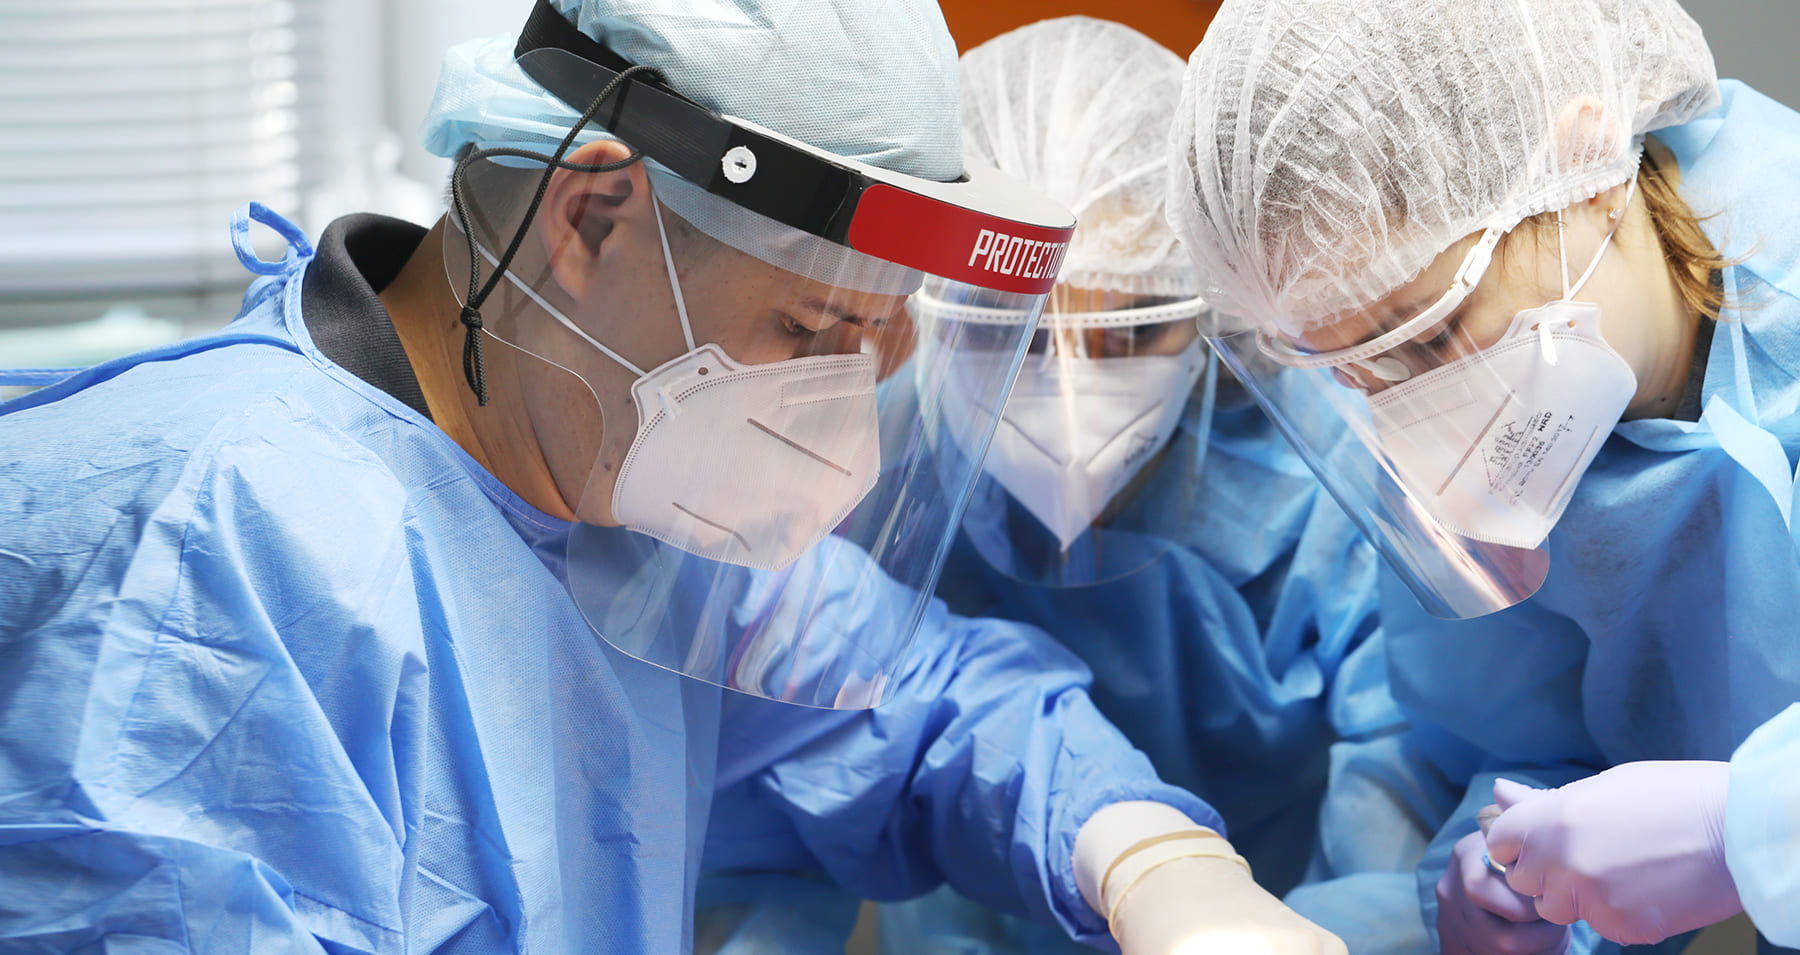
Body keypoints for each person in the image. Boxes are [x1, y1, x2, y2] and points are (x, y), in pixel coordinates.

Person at [0, 2, 1347, 954]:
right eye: (812, 329)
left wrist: (1155, 861)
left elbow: (924, 701)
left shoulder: (614, 490)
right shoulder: (211, 548)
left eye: (886, 342)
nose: (846, 404)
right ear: (592, 214)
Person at [689, 17, 1392, 954]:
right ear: (923, 303)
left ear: (1214, 307)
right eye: (1006, 330)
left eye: (1132, 331)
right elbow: (796, 765)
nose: (1070, 396)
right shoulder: (870, 453)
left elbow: (1416, 772)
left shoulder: (1330, 470)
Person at [1167, 0, 1800, 952]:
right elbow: (1519, 741)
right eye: (1354, 371)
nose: (1422, 412)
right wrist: (1520, 882)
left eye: (1429, 336)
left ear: (1588, 169)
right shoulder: (1506, 432)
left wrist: (1754, 826)